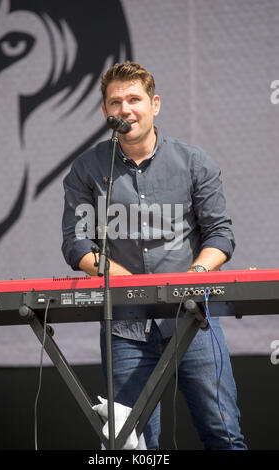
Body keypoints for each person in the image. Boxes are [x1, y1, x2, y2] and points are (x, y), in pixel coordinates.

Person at [61, 61, 247, 450]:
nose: (124, 109)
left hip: (193, 321)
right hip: (124, 330)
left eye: (134, 99)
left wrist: (190, 278)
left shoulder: (195, 163)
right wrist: (135, 286)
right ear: (105, 112)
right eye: (115, 102)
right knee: (133, 446)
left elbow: (221, 236)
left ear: (155, 104)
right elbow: (77, 244)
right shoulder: (87, 169)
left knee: (223, 435)